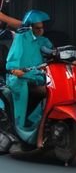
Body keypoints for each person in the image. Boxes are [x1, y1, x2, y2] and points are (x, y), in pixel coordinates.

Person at [4, 10, 53, 147]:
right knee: (22, 88)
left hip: (37, 78)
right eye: (37, 28)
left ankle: (34, 122)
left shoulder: (44, 41)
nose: (40, 31)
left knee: (52, 92)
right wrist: (15, 69)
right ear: (30, 27)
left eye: (42, 28)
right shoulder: (21, 38)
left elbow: (52, 54)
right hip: (20, 78)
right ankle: (20, 125)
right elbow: (12, 62)